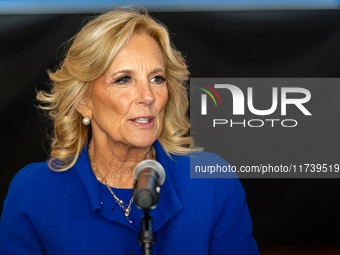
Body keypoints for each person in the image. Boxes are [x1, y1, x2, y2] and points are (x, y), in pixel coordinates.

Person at [0, 8, 259, 254]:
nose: (148, 96)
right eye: (124, 79)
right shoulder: (34, 191)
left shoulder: (212, 182)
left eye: (157, 79)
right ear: (83, 102)